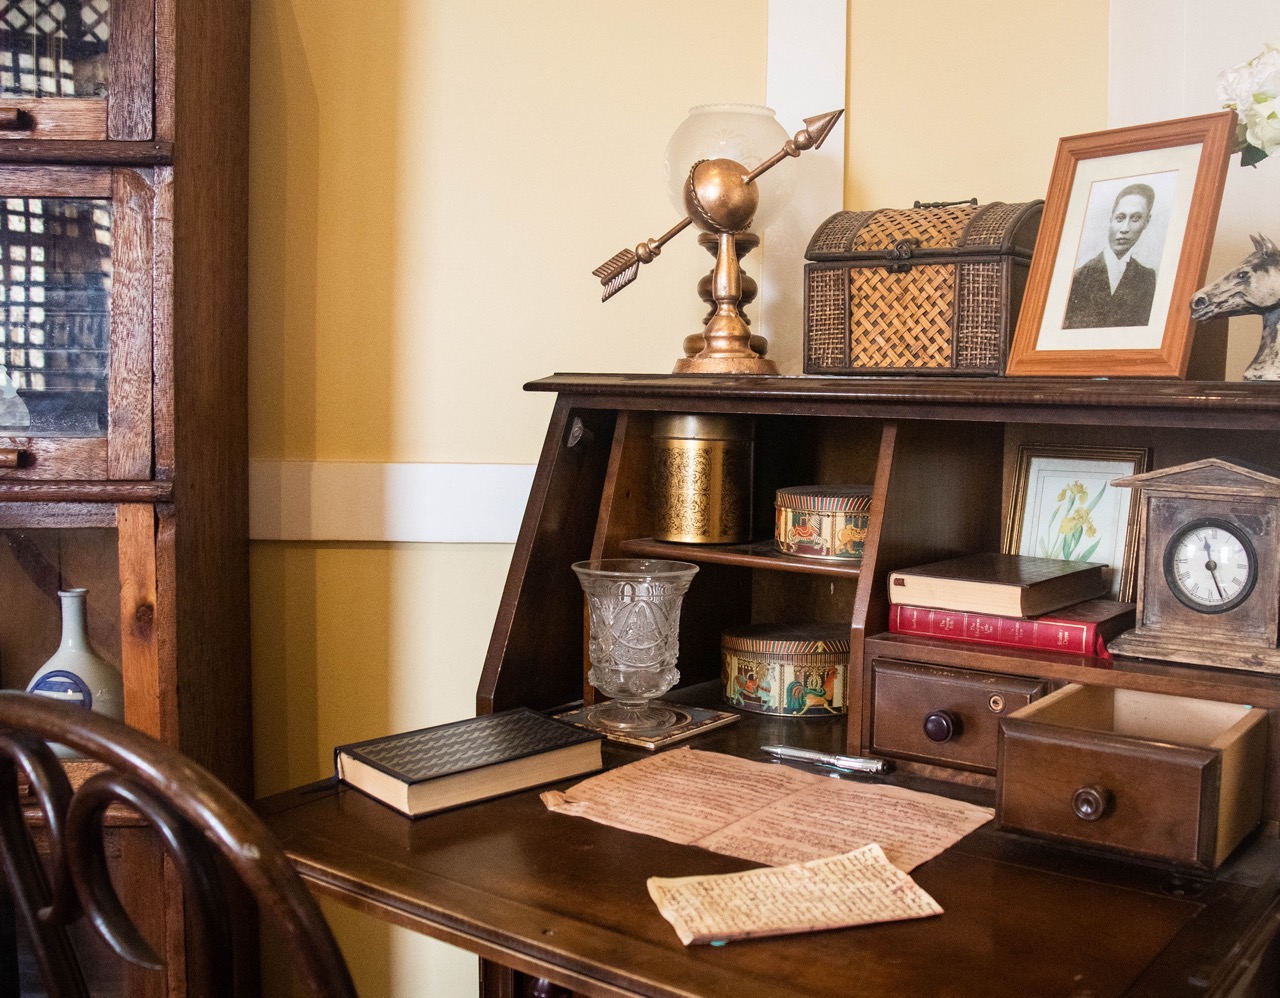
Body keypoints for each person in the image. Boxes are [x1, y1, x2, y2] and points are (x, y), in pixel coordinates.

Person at [1062, 183, 1157, 329]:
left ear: (1147, 222)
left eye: (1135, 218)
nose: (1125, 229)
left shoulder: (1147, 277)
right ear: (1110, 219)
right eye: (1120, 218)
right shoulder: (1078, 277)